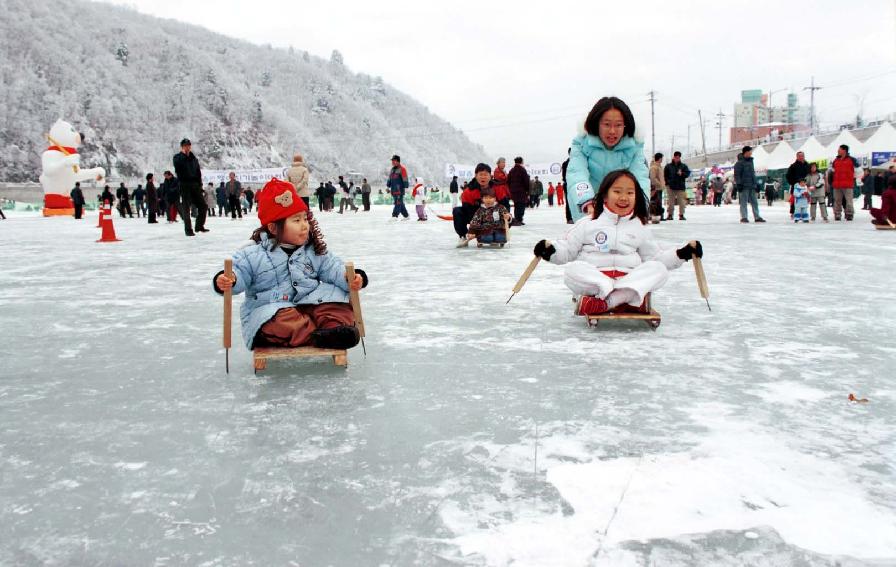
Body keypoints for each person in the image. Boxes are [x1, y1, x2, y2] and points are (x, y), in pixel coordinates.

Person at [212, 179, 368, 351]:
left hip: (310, 302)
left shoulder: (312, 250)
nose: (304, 226)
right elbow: (239, 272)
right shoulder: (252, 254)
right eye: (296, 220)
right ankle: (317, 334)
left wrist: (349, 277)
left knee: (338, 300)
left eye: (305, 219)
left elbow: (332, 267)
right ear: (273, 228)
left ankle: (332, 330)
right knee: (278, 320)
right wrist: (230, 280)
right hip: (273, 307)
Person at [532, 170, 702, 315]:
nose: (624, 198)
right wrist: (550, 251)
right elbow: (567, 251)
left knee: (659, 270)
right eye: (617, 191)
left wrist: (682, 254)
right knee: (572, 270)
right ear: (605, 194)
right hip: (596, 280)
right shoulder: (587, 223)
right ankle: (624, 298)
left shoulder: (639, 226)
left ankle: (607, 302)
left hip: (627, 279)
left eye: (630, 193)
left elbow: (655, 258)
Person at [567, 97, 650, 223]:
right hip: (589, 208)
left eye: (618, 125)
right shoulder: (582, 144)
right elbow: (576, 173)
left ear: (625, 125)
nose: (612, 131)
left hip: (622, 208)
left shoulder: (634, 147)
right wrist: (587, 201)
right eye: (606, 124)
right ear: (597, 123)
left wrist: (641, 207)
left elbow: (640, 178)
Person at [172, 138, 208, 236]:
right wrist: (183, 155)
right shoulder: (177, 157)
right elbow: (178, 167)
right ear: (182, 147)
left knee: (203, 206)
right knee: (186, 208)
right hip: (184, 184)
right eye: (185, 146)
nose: (187, 147)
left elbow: (198, 173)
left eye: (188, 145)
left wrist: (200, 185)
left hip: (195, 184)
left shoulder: (194, 159)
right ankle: (188, 230)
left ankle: (199, 226)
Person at [453, 163, 488, 241]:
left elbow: (504, 205)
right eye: (481, 174)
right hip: (474, 216)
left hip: (491, 217)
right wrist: (474, 229)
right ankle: (463, 235)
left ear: (490, 176)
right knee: (457, 211)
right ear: (476, 176)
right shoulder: (469, 191)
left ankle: (494, 234)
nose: (483, 177)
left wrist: (507, 216)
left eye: (485, 174)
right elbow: (467, 210)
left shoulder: (495, 188)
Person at [733, 146, 766, 223]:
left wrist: (756, 183)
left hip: (752, 185)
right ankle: (744, 217)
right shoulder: (739, 163)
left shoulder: (751, 162)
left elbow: (752, 174)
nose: (751, 153)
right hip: (744, 186)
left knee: (754, 202)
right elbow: (737, 175)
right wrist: (739, 184)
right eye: (750, 152)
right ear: (746, 152)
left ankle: (757, 216)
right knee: (743, 202)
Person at [831, 144, 857, 221]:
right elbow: (832, 172)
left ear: (844, 150)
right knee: (837, 200)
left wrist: (856, 179)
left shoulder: (852, 160)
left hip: (848, 184)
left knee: (849, 201)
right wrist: (831, 182)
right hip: (837, 184)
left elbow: (858, 170)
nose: (838, 151)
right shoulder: (835, 160)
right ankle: (837, 214)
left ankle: (849, 214)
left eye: (839, 149)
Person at [663, 151, 689, 220]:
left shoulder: (683, 166)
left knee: (682, 202)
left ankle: (681, 215)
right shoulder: (668, 166)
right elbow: (665, 176)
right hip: (671, 187)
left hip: (680, 187)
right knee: (671, 202)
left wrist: (682, 174)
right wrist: (668, 183)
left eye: (678, 157)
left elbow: (687, 174)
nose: (677, 159)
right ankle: (670, 215)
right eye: (676, 157)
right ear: (673, 157)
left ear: (680, 158)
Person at [785, 151, 810, 217]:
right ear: (797, 157)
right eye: (800, 156)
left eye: (802, 156)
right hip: (796, 186)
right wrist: (793, 183)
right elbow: (788, 176)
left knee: (804, 199)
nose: (801, 157)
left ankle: (803, 212)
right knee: (795, 200)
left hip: (805, 186)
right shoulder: (793, 166)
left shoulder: (808, 165)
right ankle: (793, 213)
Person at [508, 156, 530, 225]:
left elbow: (508, 181)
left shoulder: (512, 170)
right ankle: (519, 219)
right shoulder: (522, 170)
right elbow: (526, 181)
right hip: (521, 191)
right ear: (521, 162)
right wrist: (527, 190)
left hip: (513, 191)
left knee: (516, 205)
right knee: (521, 205)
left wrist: (510, 189)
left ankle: (517, 219)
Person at [387, 155, 410, 220]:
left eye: (393, 160)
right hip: (393, 190)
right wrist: (388, 186)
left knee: (398, 203)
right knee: (400, 204)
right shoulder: (392, 170)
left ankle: (394, 216)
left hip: (399, 190)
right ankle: (406, 216)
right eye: (392, 161)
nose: (392, 162)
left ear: (397, 161)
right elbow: (389, 179)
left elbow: (405, 178)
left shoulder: (402, 169)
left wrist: (406, 186)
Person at [648, 153, 665, 222]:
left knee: (659, 202)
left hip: (659, 188)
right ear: (659, 158)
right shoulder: (654, 167)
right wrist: (659, 184)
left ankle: (659, 215)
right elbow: (653, 178)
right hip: (656, 188)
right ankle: (655, 215)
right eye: (661, 158)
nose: (662, 160)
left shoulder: (659, 166)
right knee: (655, 203)